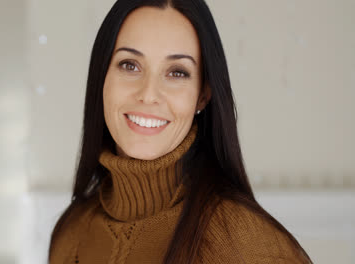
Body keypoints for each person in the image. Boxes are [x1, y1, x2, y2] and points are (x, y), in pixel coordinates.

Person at [48, 0, 313, 263]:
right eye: (130, 65)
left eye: (177, 72)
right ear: (101, 77)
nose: (149, 94)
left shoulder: (246, 245)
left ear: (202, 95)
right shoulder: (70, 232)